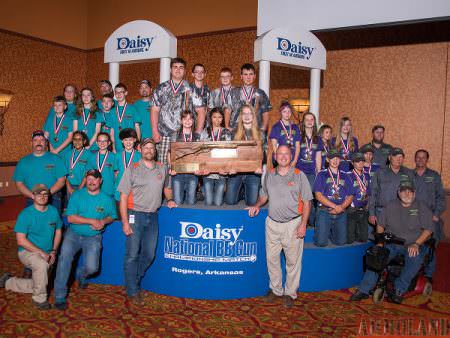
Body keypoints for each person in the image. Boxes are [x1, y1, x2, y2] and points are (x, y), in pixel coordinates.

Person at [247, 145, 312, 308]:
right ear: (275, 157)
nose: (283, 156)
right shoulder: (269, 175)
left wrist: (303, 224)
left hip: (293, 224)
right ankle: (275, 289)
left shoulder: (299, 175)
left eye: (286, 154)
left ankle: (290, 293)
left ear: (291, 156)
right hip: (272, 224)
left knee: (292, 261)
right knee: (272, 259)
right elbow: (264, 196)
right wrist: (256, 205)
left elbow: (307, 202)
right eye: (280, 154)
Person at [350, 179, 433, 304]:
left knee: (415, 258)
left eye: (410, 191)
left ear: (414, 193)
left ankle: (399, 289)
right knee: (377, 256)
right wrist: (380, 241)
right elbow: (380, 225)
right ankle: (364, 289)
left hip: (413, 244)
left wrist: (417, 243)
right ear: (398, 192)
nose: (407, 194)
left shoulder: (421, 207)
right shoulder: (390, 206)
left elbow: (428, 229)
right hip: (393, 243)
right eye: (404, 191)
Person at [118, 138, 176, 304]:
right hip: (135, 215)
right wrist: (125, 222)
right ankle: (133, 290)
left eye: (152, 147)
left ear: (155, 151)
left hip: (153, 216)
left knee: (149, 254)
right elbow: (123, 197)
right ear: (140, 150)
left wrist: (170, 199)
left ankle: (133, 280)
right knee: (132, 255)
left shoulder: (162, 168)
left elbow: (167, 188)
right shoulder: (132, 169)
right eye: (146, 148)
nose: (149, 150)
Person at [54, 169, 117, 310]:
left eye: (94, 179)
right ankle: (59, 296)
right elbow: (70, 218)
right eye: (89, 178)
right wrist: (92, 221)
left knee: (92, 268)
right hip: (73, 234)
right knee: (64, 259)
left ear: (100, 181)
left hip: (93, 237)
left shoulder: (107, 199)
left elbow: (112, 216)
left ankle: (81, 275)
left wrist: (103, 222)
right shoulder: (77, 195)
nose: (91, 181)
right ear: (86, 180)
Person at [0, 184, 62, 310]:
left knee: (40, 282)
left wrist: (54, 251)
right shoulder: (26, 214)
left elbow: (58, 231)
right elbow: (21, 241)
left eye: (45, 194)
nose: (43, 196)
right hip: (28, 252)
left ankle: (8, 282)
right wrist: (41, 253)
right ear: (33, 196)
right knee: (41, 266)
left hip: (48, 253)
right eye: (39, 194)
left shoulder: (53, 211)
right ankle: (39, 299)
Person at [151, 58, 200, 165]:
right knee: (163, 167)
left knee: (185, 165)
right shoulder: (161, 88)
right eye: (175, 67)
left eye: (181, 67)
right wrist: (155, 131)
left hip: (185, 135)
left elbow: (201, 110)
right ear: (170, 70)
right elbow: (154, 110)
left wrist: (198, 132)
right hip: (164, 134)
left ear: (185, 71)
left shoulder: (191, 88)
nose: (178, 70)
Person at [13, 130, 67, 212]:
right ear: (31, 143)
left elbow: (62, 181)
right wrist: (33, 196)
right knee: (33, 224)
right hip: (32, 198)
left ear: (46, 143)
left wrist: (46, 194)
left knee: (53, 223)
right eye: (35, 140)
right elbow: (19, 184)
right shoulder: (23, 162)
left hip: (53, 197)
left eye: (42, 140)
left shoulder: (56, 159)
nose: (39, 142)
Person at [413, 149, 446, 284]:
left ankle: (428, 274)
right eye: (418, 157)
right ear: (415, 159)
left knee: (430, 246)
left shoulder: (434, 176)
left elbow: (441, 198)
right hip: (413, 217)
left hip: (430, 218)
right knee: (413, 243)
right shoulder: (409, 175)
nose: (420, 160)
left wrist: (436, 214)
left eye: (423, 158)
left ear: (427, 160)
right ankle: (413, 269)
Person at [313, 149, 353, 246]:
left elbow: (350, 196)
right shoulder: (321, 174)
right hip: (324, 211)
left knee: (341, 242)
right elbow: (318, 195)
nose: (335, 160)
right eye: (332, 158)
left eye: (337, 158)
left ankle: (330, 232)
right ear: (327, 160)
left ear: (340, 160)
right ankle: (322, 231)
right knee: (321, 243)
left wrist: (341, 207)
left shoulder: (345, 175)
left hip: (341, 212)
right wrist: (335, 207)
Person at [225, 104, 263, 206]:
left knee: (251, 203)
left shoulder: (261, 133)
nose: (247, 116)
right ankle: (240, 192)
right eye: (244, 113)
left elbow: (265, 154)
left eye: (250, 113)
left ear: (253, 116)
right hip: (236, 171)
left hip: (253, 172)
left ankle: (246, 192)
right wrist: (230, 168)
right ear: (241, 116)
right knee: (230, 201)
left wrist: (260, 166)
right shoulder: (233, 133)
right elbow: (229, 153)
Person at [368, 147, 415, 226]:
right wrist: (371, 213)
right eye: (395, 156)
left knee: (399, 237)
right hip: (381, 211)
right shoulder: (380, 172)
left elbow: (413, 193)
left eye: (401, 157)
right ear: (389, 158)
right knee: (381, 237)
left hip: (401, 212)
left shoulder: (409, 173)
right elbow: (373, 193)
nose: (398, 159)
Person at [200, 107, 232, 206]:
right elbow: (201, 152)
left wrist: (226, 168)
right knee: (209, 202)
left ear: (223, 119)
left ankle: (210, 191)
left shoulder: (226, 132)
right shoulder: (205, 131)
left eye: (220, 117)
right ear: (210, 118)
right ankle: (202, 188)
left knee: (218, 203)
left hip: (221, 171)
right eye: (214, 117)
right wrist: (203, 168)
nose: (217, 120)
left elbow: (229, 153)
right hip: (208, 172)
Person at [168, 110, 201, 205]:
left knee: (191, 202)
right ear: (181, 121)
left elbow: (200, 155)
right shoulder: (174, 135)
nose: (187, 121)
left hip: (192, 172)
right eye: (185, 119)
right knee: (178, 201)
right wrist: (171, 167)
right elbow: (170, 153)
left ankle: (196, 194)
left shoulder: (197, 136)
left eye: (190, 118)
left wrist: (199, 169)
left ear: (193, 121)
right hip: (178, 172)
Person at [298, 112, 323, 226]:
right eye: (307, 119)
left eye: (311, 119)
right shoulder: (298, 136)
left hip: (312, 173)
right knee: (300, 198)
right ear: (303, 122)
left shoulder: (318, 139)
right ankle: (300, 222)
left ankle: (312, 223)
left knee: (311, 199)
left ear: (314, 122)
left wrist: (318, 173)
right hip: (299, 172)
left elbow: (318, 157)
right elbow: (295, 155)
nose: (309, 121)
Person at [232, 63, 272, 133]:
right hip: (237, 130)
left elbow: (265, 112)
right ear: (241, 76)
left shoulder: (261, 93)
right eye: (245, 74)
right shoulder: (234, 92)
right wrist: (228, 127)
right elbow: (228, 110)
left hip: (256, 130)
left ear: (254, 76)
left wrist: (264, 128)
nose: (248, 77)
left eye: (251, 74)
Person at [346, 153, 371, 244]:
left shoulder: (367, 176)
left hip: (363, 209)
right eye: (357, 161)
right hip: (352, 209)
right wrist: (351, 206)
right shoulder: (348, 175)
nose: (360, 163)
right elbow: (347, 194)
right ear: (353, 163)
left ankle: (357, 231)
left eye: (362, 161)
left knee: (363, 239)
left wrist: (367, 206)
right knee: (350, 239)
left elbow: (369, 192)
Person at [84, 132, 116, 198]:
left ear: (109, 143)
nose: (102, 143)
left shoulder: (114, 157)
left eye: (105, 141)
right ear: (96, 143)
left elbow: (117, 175)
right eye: (100, 141)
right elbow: (88, 175)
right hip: (95, 192)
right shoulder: (91, 157)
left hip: (110, 191)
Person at [269, 102, 301, 167]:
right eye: (284, 111)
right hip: (281, 158)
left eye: (289, 111)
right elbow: (274, 145)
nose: (287, 114)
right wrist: (279, 159)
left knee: (291, 177)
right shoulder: (276, 127)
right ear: (281, 112)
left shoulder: (295, 127)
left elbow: (297, 146)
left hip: (292, 158)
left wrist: (295, 160)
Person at [114, 128, 141, 203]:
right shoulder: (117, 156)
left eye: (130, 140)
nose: (128, 142)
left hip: (134, 191)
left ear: (134, 140)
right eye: (125, 140)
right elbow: (116, 174)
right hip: (120, 191)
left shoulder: (139, 156)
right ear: (122, 141)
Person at [111, 83, 141, 151]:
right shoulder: (112, 111)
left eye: (121, 92)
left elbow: (137, 127)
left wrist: (137, 143)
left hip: (131, 144)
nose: (118, 94)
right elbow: (112, 131)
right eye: (116, 92)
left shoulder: (132, 108)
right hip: (118, 144)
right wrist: (113, 147)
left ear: (126, 93)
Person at [64, 131, 90, 201]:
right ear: (72, 141)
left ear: (84, 141)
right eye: (75, 139)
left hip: (83, 186)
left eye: (80, 139)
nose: (77, 141)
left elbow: (87, 174)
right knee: (72, 208)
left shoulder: (89, 155)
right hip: (69, 186)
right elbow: (65, 174)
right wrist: (69, 188)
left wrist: (80, 188)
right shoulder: (67, 154)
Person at [189, 63, 209, 133]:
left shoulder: (207, 90)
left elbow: (209, 109)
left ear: (205, 74)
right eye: (197, 72)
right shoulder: (187, 89)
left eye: (202, 72)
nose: (200, 74)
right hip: (189, 126)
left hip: (205, 128)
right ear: (192, 74)